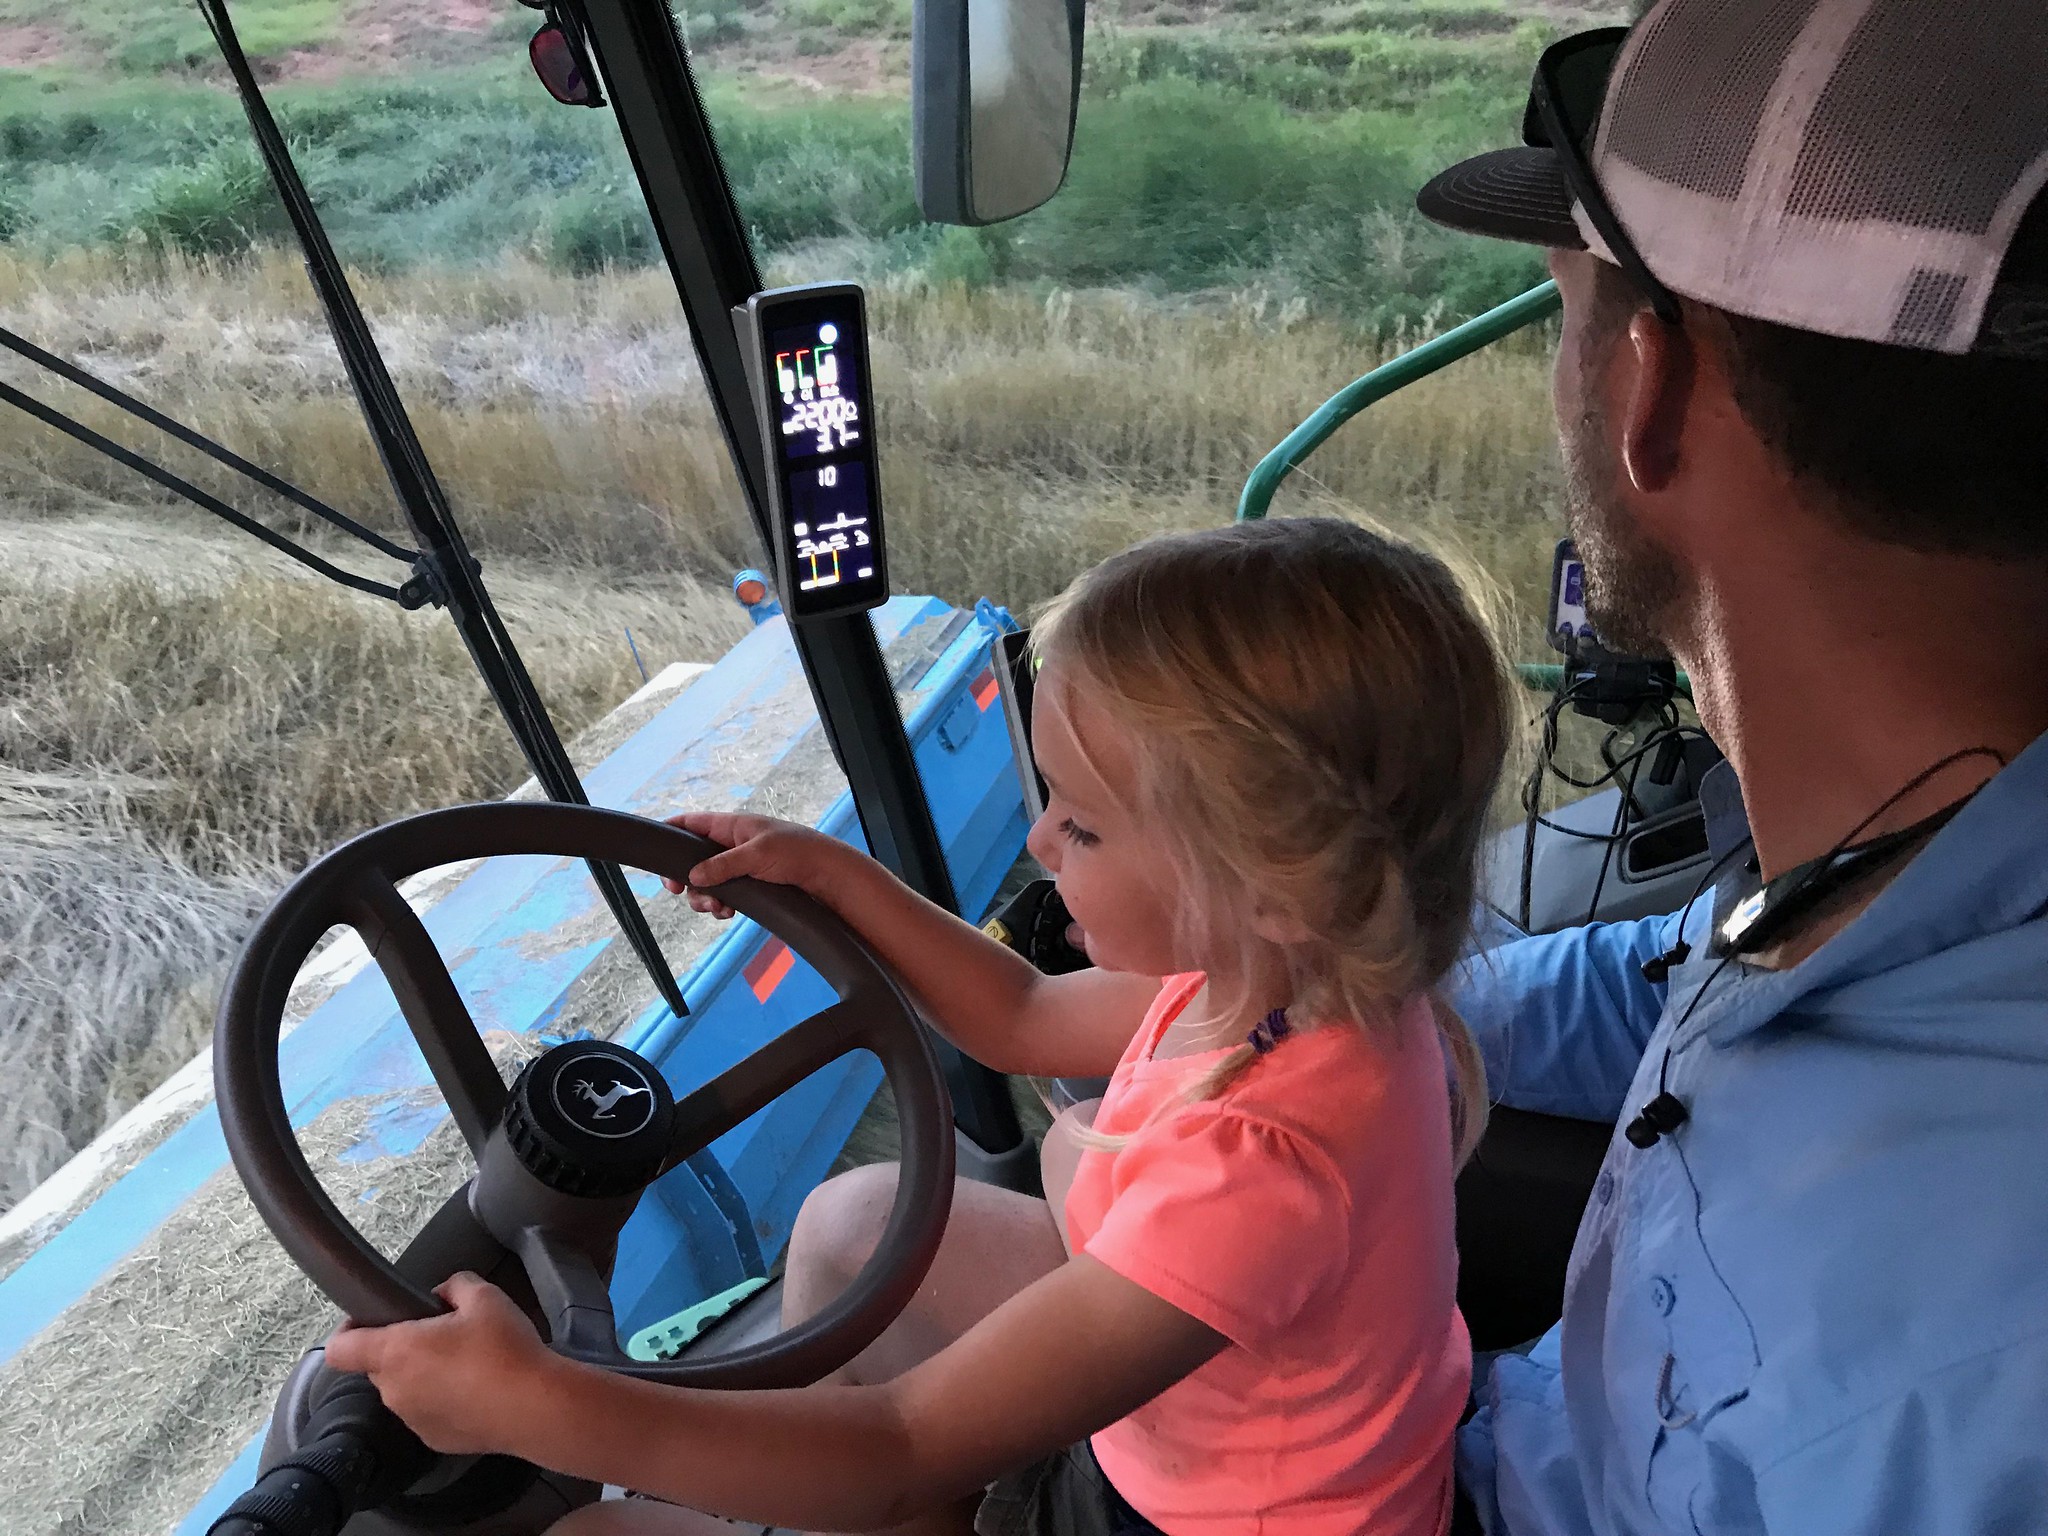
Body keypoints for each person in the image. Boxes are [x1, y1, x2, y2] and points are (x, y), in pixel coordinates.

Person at [326, 517, 1513, 1536]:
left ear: (1268, 884)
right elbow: (1022, 1014)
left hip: (1185, 1515)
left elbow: (903, 1442)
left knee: (593, 1530)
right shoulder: (1281, 982)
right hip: (1210, 1420)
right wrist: (834, 875)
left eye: (1081, 826)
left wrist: (540, 1407)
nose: (1038, 842)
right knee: (852, 1221)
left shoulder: (1261, 1167)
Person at [1410, 1, 2048, 1531]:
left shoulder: (1929, 1412)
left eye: (1566, 310)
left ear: (1653, 389)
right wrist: (1340, 999)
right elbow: (1689, 971)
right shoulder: (1904, 845)